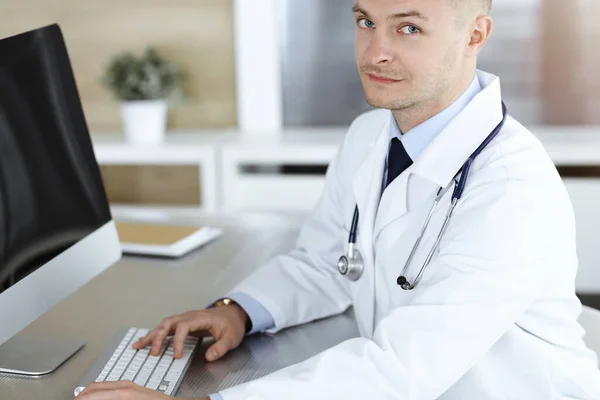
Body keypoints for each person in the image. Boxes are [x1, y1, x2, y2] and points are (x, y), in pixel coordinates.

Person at [76, 0, 600, 399]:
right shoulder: (369, 136)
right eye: (365, 21)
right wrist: (238, 311)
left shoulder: (510, 189)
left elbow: (404, 367)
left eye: (408, 27)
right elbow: (328, 262)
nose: (375, 52)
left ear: (475, 35)